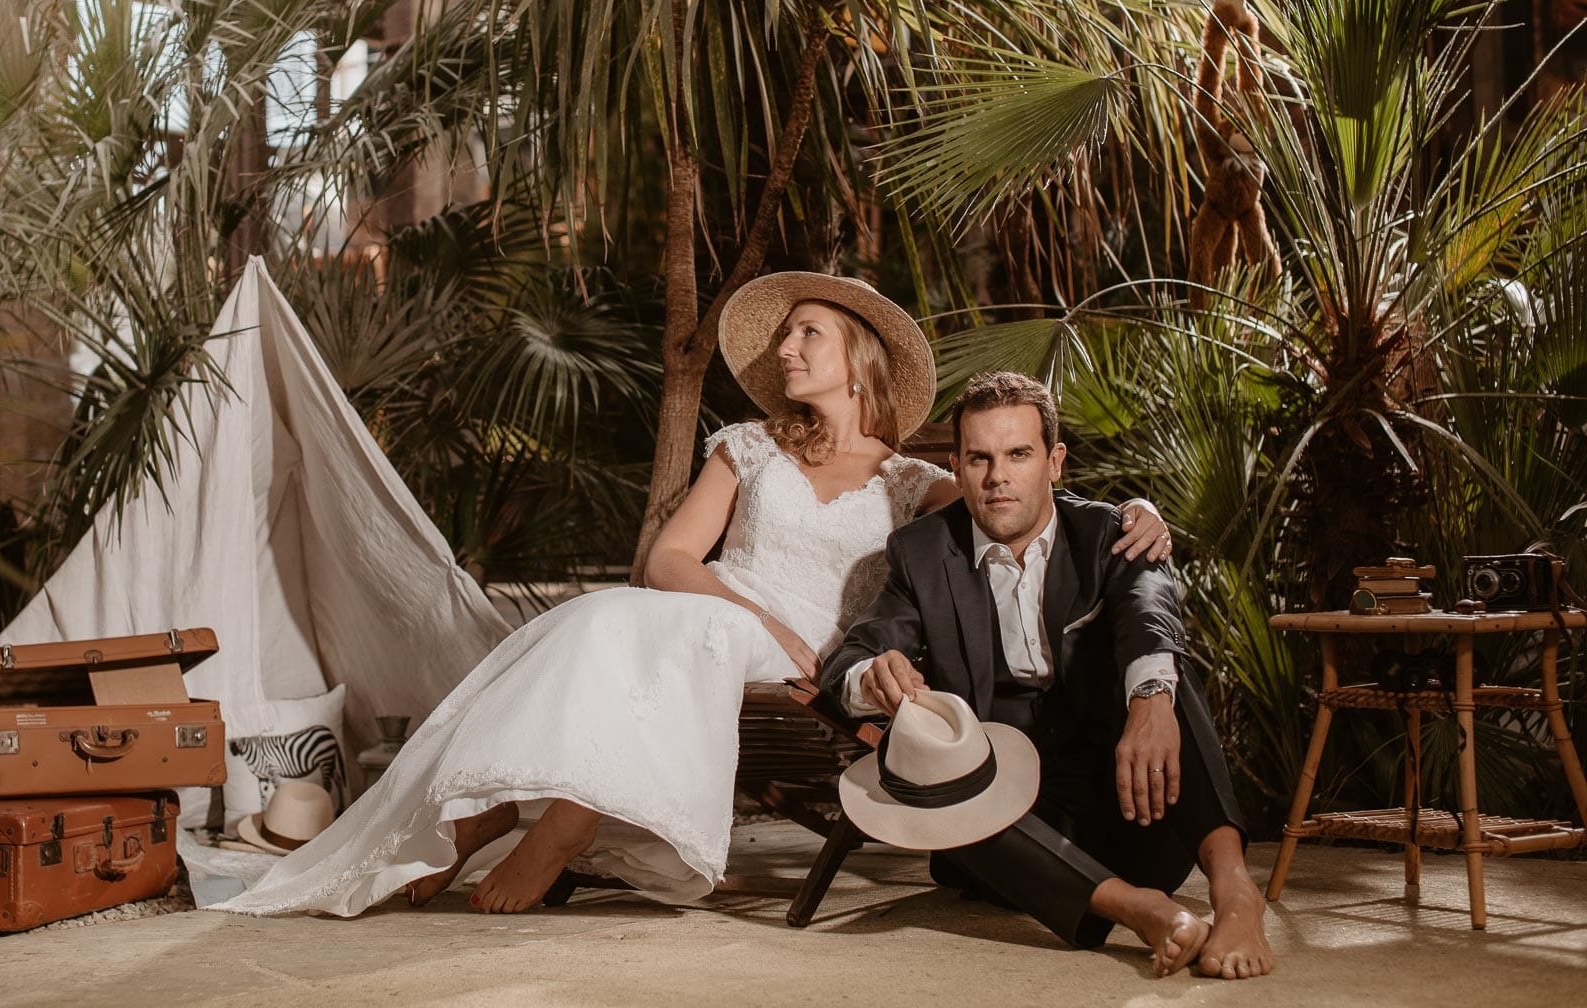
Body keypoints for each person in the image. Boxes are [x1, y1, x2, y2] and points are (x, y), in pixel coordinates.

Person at [221, 274, 1173, 918]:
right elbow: (670, 559)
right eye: (790, 334)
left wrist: (1136, 504)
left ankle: (551, 820)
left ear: (857, 357)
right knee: (597, 615)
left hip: (814, 650)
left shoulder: (908, 484)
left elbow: (1023, 501)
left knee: (685, 638)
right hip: (730, 618)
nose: (789, 349)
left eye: (809, 334)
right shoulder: (748, 446)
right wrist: (747, 612)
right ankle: (506, 813)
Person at [820, 370, 1275, 979]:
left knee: (1162, 670)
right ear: (956, 467)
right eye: (979, 458)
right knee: (933, 777)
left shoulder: (1109, 533)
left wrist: (1148, 701)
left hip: (1133, 796)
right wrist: (874, 674)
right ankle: (1134, 909)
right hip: (1011, 826)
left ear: (1054, 462)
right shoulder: (922, 553)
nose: (997, 476)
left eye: (1018, 454)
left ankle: (1236, 890)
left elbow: (1148, 607)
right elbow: (850, 659)